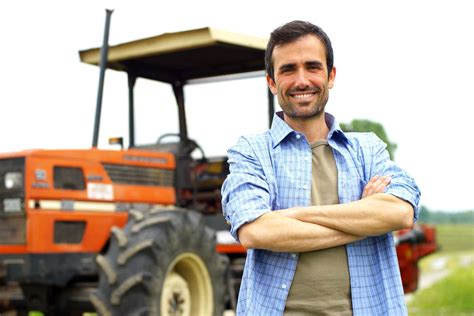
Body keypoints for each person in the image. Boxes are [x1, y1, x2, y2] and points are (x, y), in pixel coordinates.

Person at [221, 20, 420, 315]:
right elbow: (255, 231)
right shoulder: (252, 151)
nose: (302, 80)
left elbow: (401, 212)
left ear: (331, 76)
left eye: (312, 67)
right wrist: (363, 219)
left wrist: (292, 217)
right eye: (288, 69)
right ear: (272, 82)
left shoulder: (367, 149)